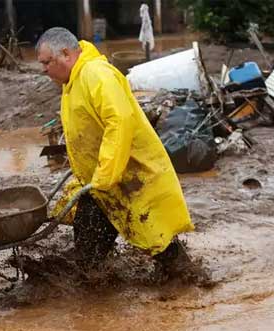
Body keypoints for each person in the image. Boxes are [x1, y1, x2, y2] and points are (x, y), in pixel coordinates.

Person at [36, 27, 200, 281]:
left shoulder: (96, 75)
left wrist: (106, 173)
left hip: (129, 175)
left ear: (65, 54)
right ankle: (99, 288)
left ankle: (191, 282)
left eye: (46, 62)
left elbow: (119, 121)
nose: (43, 69)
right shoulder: (73, 81)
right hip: (102, 181)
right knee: (89, 244)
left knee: (156, 235)